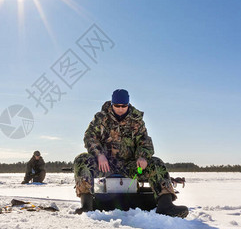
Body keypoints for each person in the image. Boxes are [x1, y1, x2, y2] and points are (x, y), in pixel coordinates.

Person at [73, 89, 188, 218]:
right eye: (117, 106)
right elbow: (90, 137)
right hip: (106, 165)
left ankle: (166, 206)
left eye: (124, 106)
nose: (120, 109)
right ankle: (86, 206)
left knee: (157, 163)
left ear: (128, 104)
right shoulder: (101, 118)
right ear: (112, 104)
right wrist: (99, 154)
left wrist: (142, 157)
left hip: (131, 166)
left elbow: (145, 142)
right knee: (81, 160)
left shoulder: (136, 121)